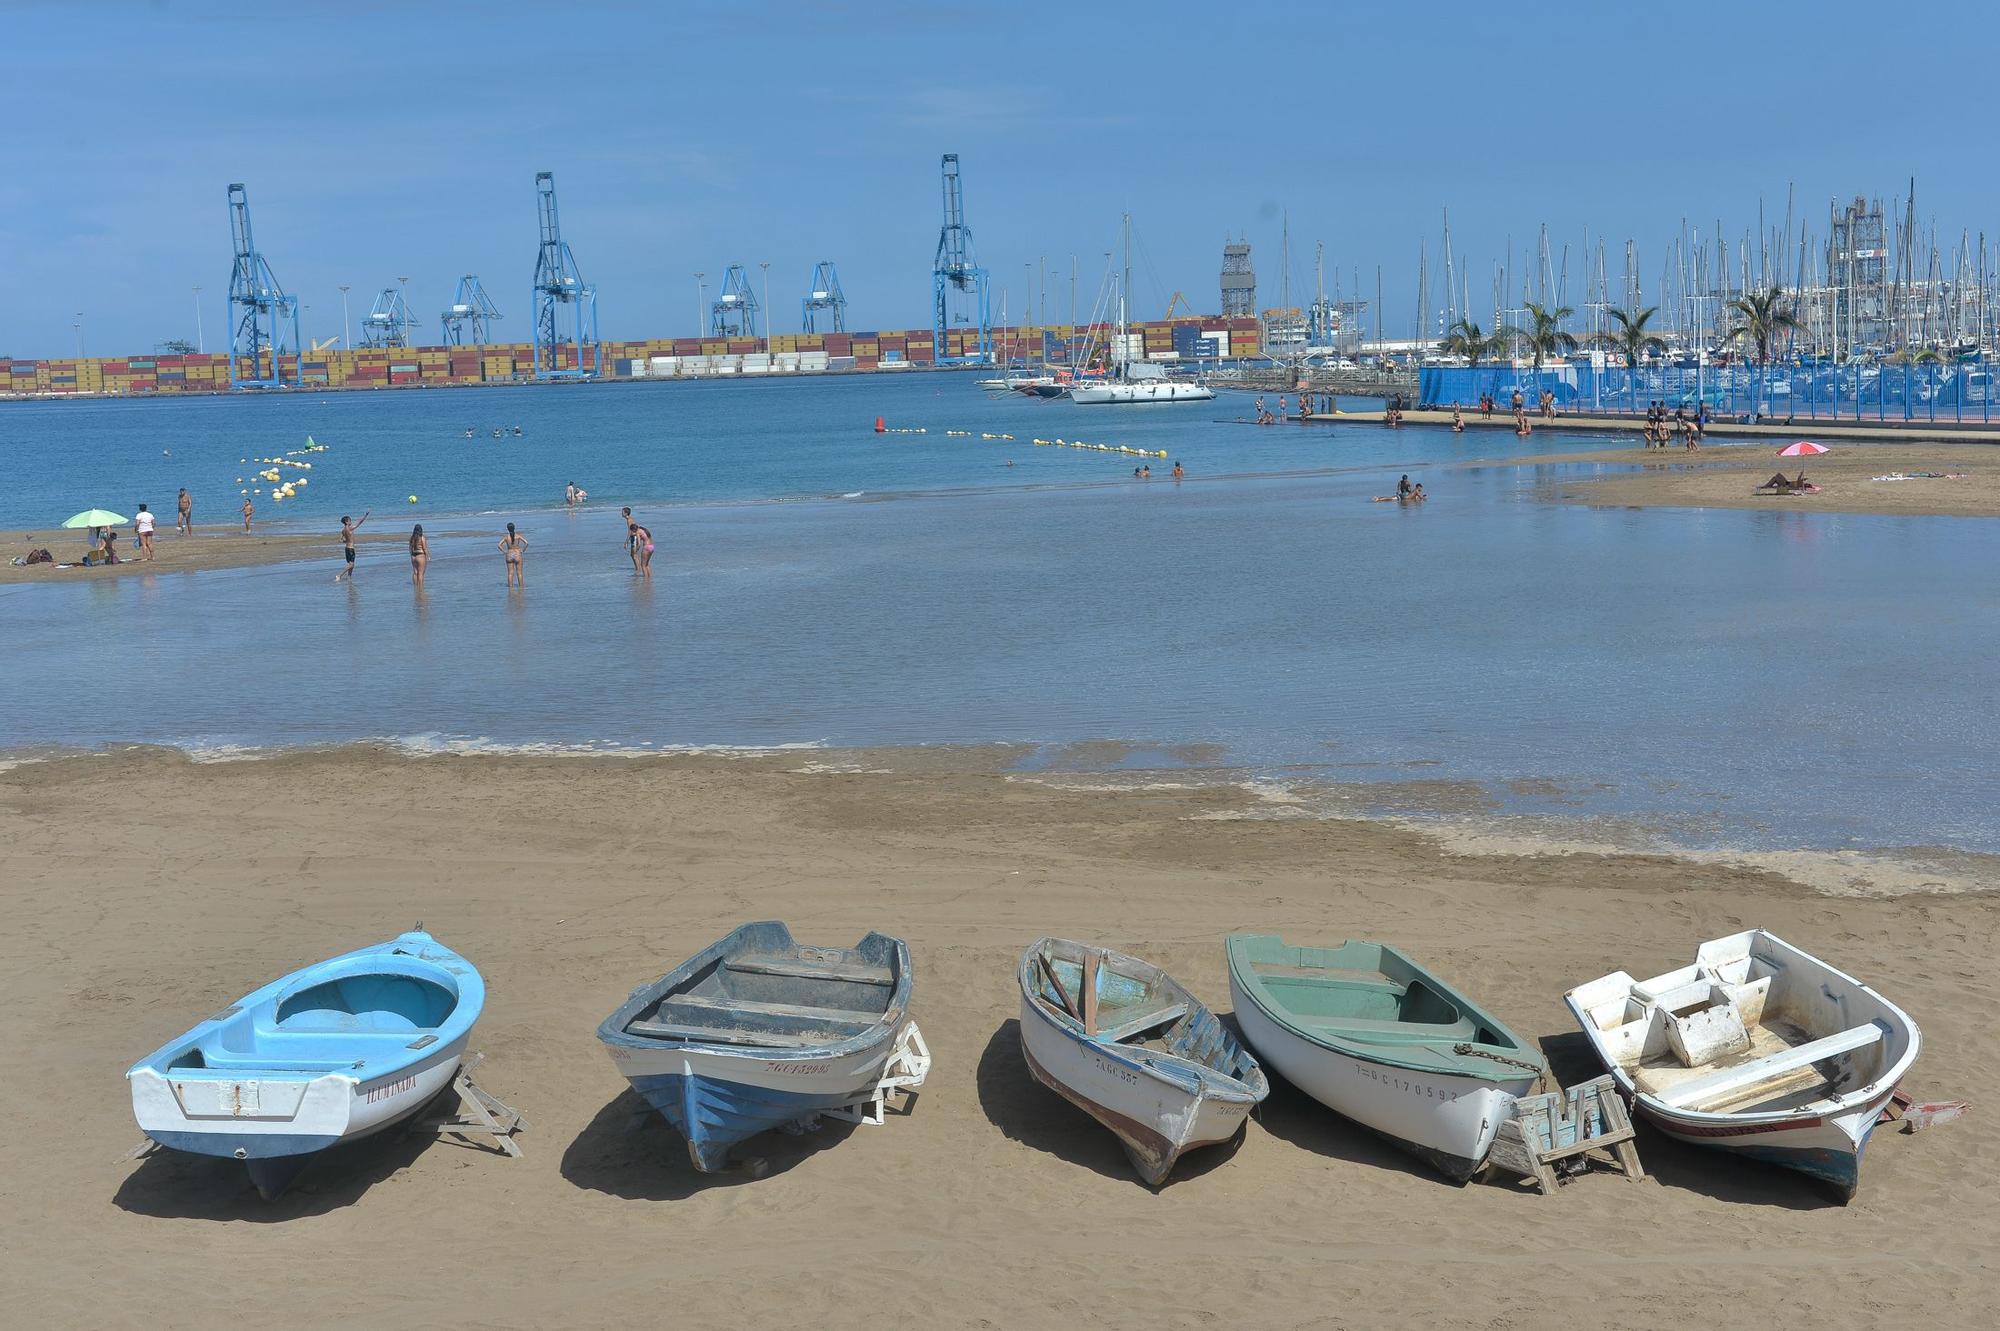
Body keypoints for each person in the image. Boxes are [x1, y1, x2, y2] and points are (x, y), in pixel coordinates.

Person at [333, 510, 370, 582]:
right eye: (350, 520)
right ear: (346, 522)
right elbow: (360, 522)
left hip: (347, 548)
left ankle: (349, 578)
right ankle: (339, 575)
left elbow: (341, 540)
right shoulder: (349, 528)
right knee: (351, 565)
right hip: (351, 549)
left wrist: (347, 540)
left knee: (351, 564)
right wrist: (366, 515)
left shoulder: (343, 530)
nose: (351, 521)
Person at [498, 522, 528, 587]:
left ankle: (510, 588)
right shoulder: (518, 536)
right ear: (514, 528)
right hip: (517, 554)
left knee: (510, 573)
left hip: (509, 554)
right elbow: (526, 543)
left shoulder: (506, 537)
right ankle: (521, 587)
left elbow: (499, 545)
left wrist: (504, 552)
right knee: (519, 573)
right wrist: (523, 550)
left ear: (507, 529)